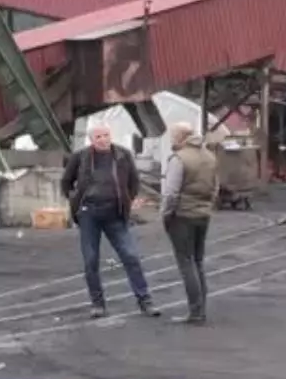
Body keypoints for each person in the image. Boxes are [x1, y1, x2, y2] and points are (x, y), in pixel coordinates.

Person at [61, 124, 160, 319]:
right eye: (99, 136)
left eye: (106, 135)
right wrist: (76, 201)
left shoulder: (122, 155)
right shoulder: (80, 157)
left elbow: (134, 181)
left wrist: (126, 201)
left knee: (131, 256)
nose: (103, 139)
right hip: (89, 214)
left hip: (115, 214)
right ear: (92, 139)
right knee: (91, 260)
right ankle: (97, 303)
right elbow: (66, 181)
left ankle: (145, 300)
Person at [160, 121, 219, 325]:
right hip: (203, 215)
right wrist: (207, 206)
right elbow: (215, 187)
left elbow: (171, 193)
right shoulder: (210, 157)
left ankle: (195, 311)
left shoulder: (179, 158)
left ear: (180, 137)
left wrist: (166, 214)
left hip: (182, 216)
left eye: (172, 135)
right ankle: (200, 308)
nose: (171, 139)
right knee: (198, 261)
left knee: (186, 263)